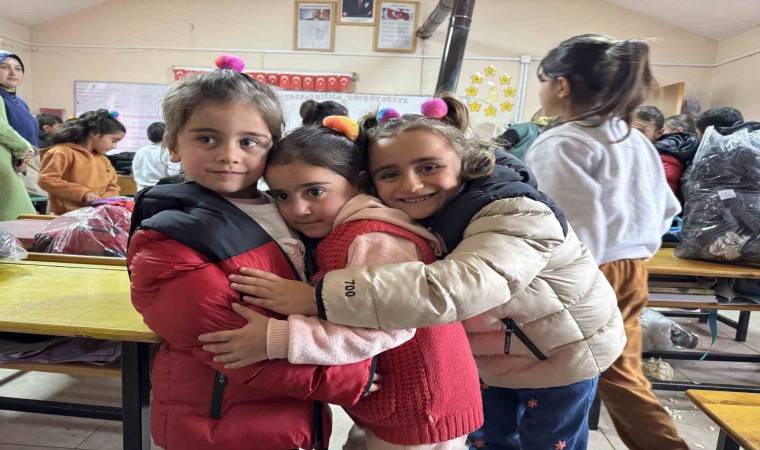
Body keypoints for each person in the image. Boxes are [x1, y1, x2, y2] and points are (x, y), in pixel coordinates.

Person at [213, 96, 626, 450]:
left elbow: (450, 289)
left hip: (561, 350)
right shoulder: (418, 210)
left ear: (464, 161)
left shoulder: (514, 212)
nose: (410, 185)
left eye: (428, 167)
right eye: (390, 174)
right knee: (492, 440)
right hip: (492, 355)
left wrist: (318, 299)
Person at [127, 55, 377, 450]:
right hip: (216, 420)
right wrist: (351, 376)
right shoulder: (167, 237)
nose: (229, 154)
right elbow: (225, 343)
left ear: (272, 148)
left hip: (291, 414)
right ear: (173, 145)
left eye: (248, 142)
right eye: (207, 139)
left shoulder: (284, 208)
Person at [201, 116, 483, 449]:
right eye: (282, 196)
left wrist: (275, 338)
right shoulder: (343, 231)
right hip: (401, 400)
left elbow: (385, 328)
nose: (299, 209)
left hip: (423, 408)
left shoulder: (372, 237)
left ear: (358, 183)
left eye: (314, 191)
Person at [523, 35, 685, 450]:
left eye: (543, 81)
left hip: (588, 274)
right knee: (622, 373)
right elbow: (668, 207)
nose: (542, 91)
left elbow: (563, 226)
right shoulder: (632, 138)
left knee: (568, 377)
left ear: (561, 85)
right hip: (632, 269)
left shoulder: (562, 142)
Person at [37, 110, 124, 214]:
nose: (114, 147)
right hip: (66, 216)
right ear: (95, 133)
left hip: (96, 214)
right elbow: (46, 180)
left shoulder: (104, 160)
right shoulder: (62, 152)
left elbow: (113, 186)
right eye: (114, 141)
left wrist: (104, 201)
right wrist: (83, 194)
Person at [0, 50, 37, 221]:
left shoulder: (20, 102)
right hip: (6, 163)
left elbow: (29, 131)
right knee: (17, 219)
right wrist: (23, 150)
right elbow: (3, 128)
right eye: (4, 67)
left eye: (18, 68)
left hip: (19, 162)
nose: (13, 72)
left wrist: (30, 152)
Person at [131, 121, 181, 191]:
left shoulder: (140, 151)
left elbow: (135, 171)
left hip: (141, 191)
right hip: (161, 191)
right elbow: (173, 173)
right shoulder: (167, 152)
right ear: (167, 135)